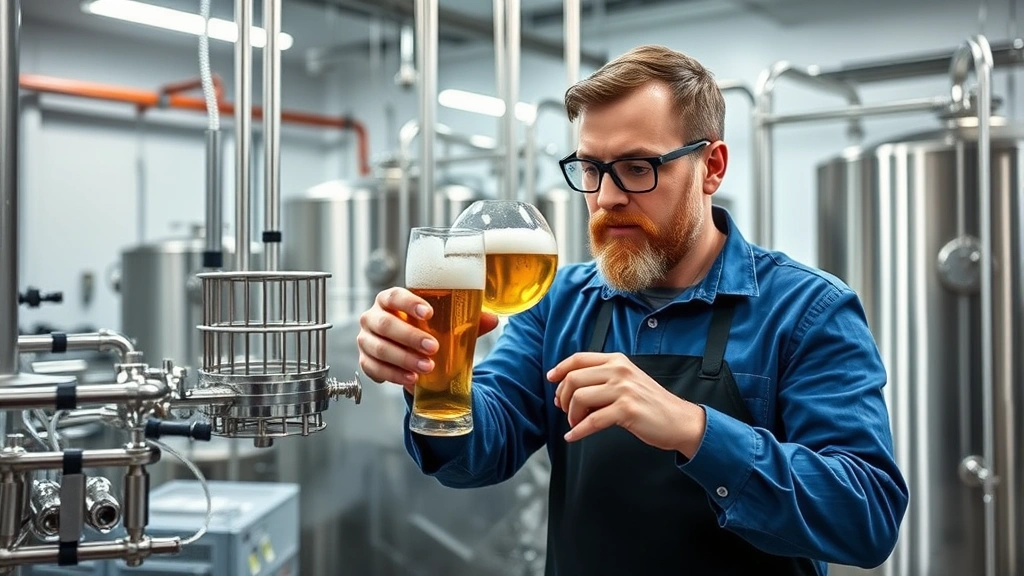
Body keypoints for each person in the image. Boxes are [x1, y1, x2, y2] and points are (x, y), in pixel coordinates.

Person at [356, 44, 908, 575]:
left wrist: (695, 429)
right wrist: (429, 375)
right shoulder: (559, 303)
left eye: (638, 167)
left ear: (711, 167)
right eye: (591, 169)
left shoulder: (807, 309)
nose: (608, 197)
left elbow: (867, 517)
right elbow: (479, 456)